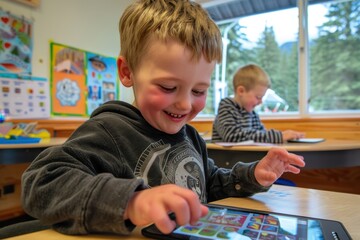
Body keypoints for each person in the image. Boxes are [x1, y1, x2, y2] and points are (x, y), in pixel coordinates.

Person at [21, 0, 305, 236]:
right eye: (168, 87)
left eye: (199, 90)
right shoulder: (110, 131)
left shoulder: (190, 136)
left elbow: (211, 185)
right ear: (128, 72)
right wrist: (132, 201)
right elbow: (41, 183)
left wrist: (253, 175)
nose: (184, 103)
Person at [212, 63, 305, 143]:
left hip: (245, 160)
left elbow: (262, 135)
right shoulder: (226, 107)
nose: (260, 102)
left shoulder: (252, 114)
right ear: (241, 91)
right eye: (258, 97)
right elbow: (232, 136)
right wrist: (279, 136)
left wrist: (281, 136)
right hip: (226, 161)